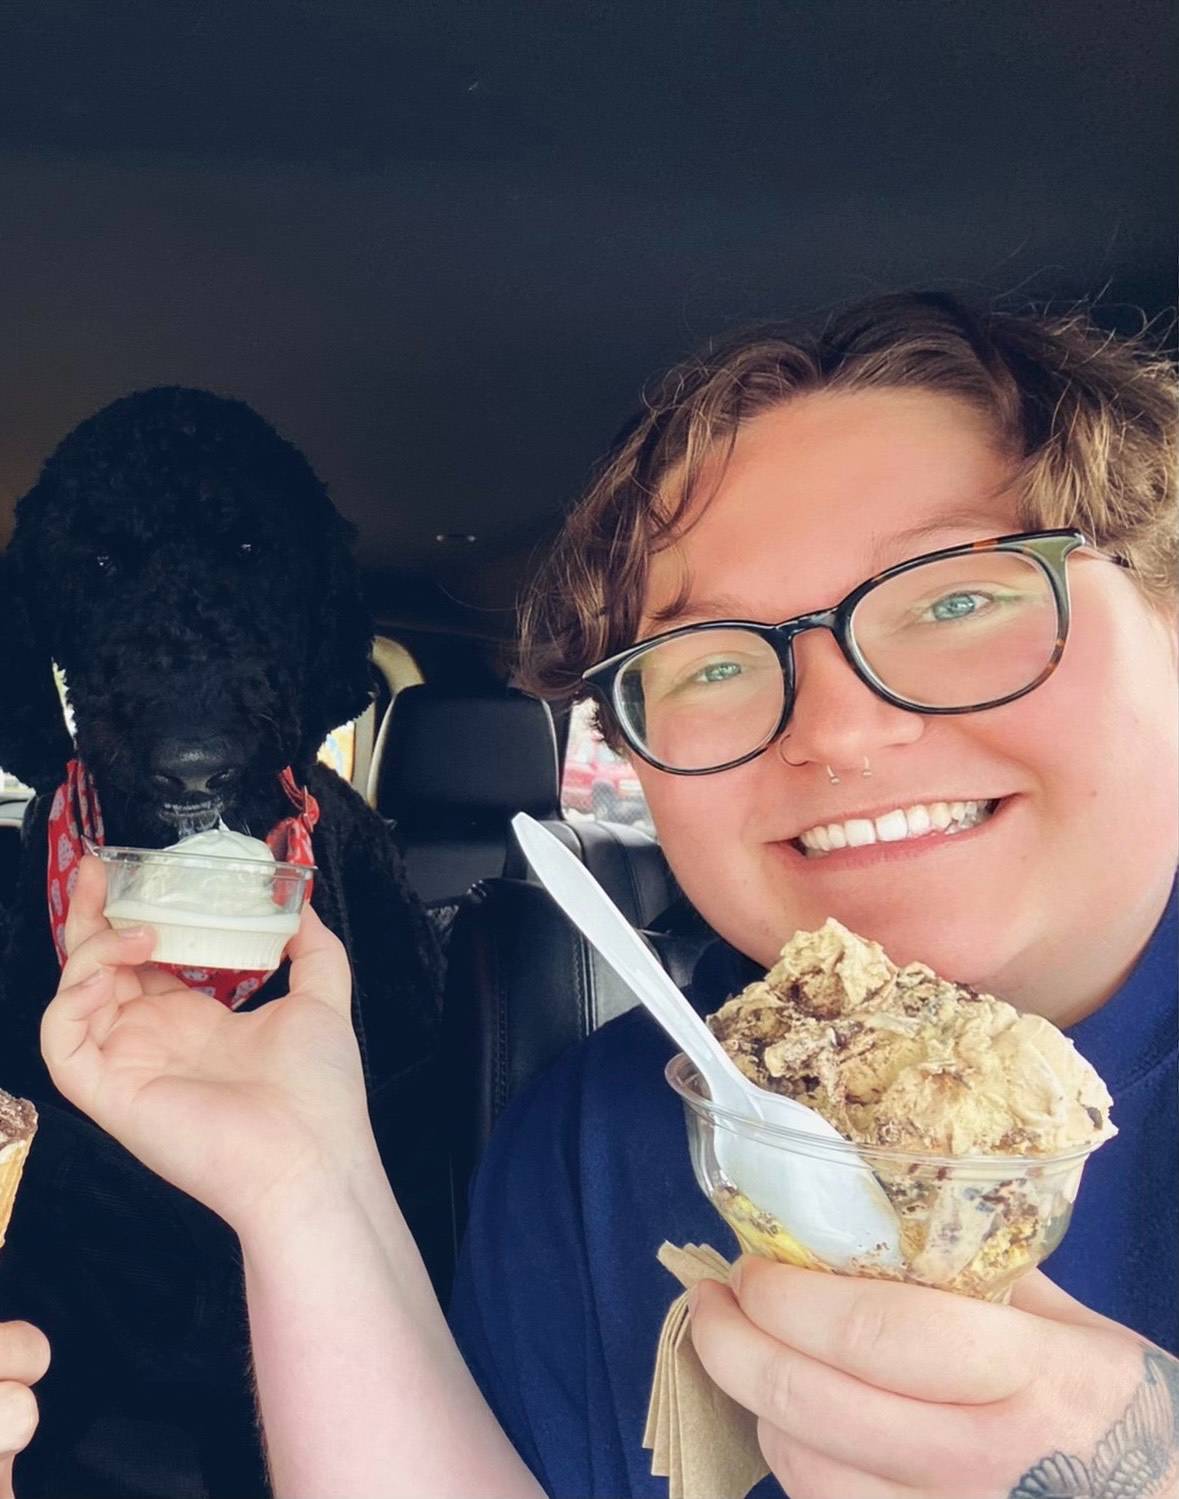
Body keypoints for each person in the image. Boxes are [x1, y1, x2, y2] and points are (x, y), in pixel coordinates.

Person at [40, 294, 1179, 1498]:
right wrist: (298, 1183)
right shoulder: (592, 1133)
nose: (840, 728)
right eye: (713, 659)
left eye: (958, 598)